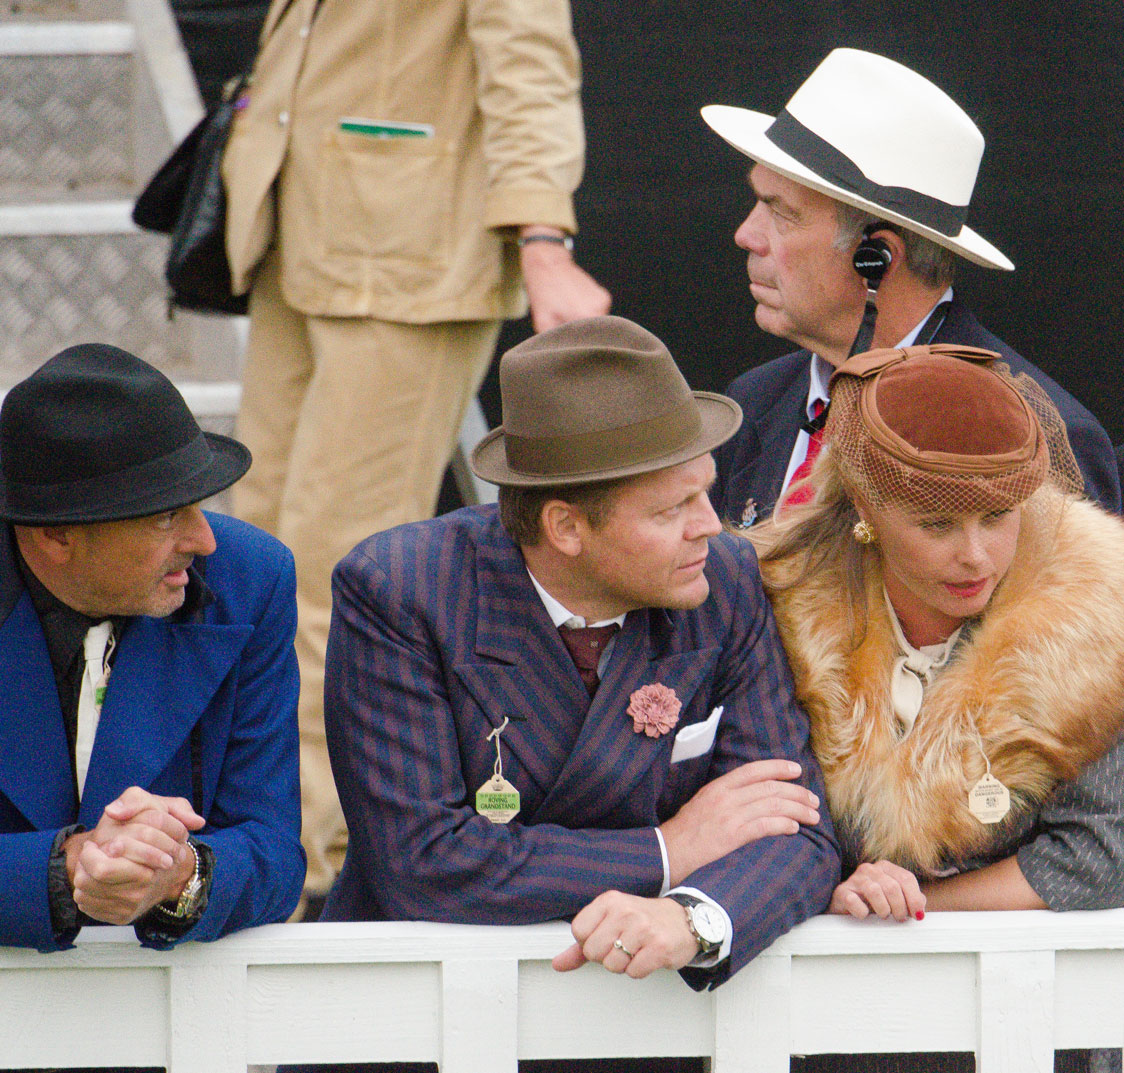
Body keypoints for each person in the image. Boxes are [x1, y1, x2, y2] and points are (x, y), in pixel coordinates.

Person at [321, 315, 838, 1006]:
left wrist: (692, 915)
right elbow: (423, 861)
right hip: (430, 1015)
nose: (710, 524)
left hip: (648, 1013)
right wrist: (666, 851)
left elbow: (796, 826)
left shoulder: (728, 578)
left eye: (706, 490)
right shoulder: (400, 589)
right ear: (564, 526)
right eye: (672, 508)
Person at [221, 0, 612, 909]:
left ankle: (298, 862)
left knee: (329, 577)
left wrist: (544, 242)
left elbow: (531, 70)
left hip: (414, 261)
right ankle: (263, 822)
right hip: (299, 234)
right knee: (252, 558)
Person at [745, 343, 1124, 1073]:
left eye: (997, 517)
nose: (976, 556)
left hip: (1032, 1032)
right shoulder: (775, 604)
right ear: (865, 509)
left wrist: (913, 901)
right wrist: (829, 883)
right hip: (820, 1030)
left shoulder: (1094, 617)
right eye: (938, 524)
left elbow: (1101, 858)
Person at [700, 48, 1120, 527]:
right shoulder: (756, 400)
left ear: (877, 259)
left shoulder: (1040, 437)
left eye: (781, 213)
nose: (745, 235)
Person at [0, 343, 303, 952]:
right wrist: (60, 871)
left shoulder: (252, 578)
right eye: (167, 516)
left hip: (172, 1017)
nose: (205, 539)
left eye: (200, 504)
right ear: (55, 534)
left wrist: (182, 872)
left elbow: (274, 850)